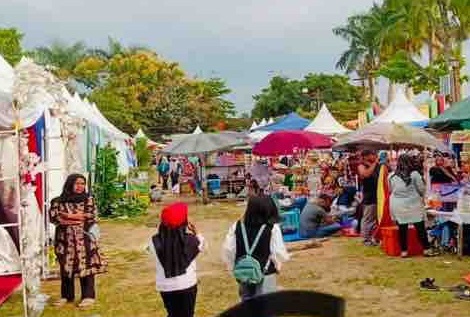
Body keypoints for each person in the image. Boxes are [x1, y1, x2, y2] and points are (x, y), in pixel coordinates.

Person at [49, 174, 107, 308]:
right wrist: (76, 217)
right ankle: (66, 296)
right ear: (70, 184)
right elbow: (55, 219)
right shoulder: (57, 201)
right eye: (77, 183)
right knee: (66, 267)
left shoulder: (88, 199)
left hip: (84, 239)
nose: (80, 186)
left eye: (83, 183)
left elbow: (90, 217)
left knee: (86, 267)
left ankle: (88, 296)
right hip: (64, 240)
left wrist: (67, 216)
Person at [222, 196, 289, 301]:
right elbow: (278, 252)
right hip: (265, 272)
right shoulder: (272, 228)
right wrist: (278, 266)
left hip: (243, 272)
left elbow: (229, 249)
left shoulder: (237, 226)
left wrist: (232, 267)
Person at [148, 202, 204, 317]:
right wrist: (196, 231)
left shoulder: (154, 242)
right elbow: (203, 244)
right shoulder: (192, 241)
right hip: (187, 284)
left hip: (165, 286)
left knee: (172, 313)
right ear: (185, 223)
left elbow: (149, 251)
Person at [389, 154, 438, 257]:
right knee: (420, 228)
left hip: (397, 205)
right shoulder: (415, 174)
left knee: (402, 229)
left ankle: (404, 251)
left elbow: (391, 190)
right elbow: (421, 189)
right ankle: (426, 249)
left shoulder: (391, 176)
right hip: (414, 204)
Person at [358, 150, 380, 246]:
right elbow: (365, 174)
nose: (375, 156)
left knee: (375, 219)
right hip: (369, 196)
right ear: (366, 156)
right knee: (368, 218)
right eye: (373, 154)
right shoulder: (361, 166)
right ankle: (366, 238)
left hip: (378, 195)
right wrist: (374, 164)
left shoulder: (378, 166)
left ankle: (373, 237)